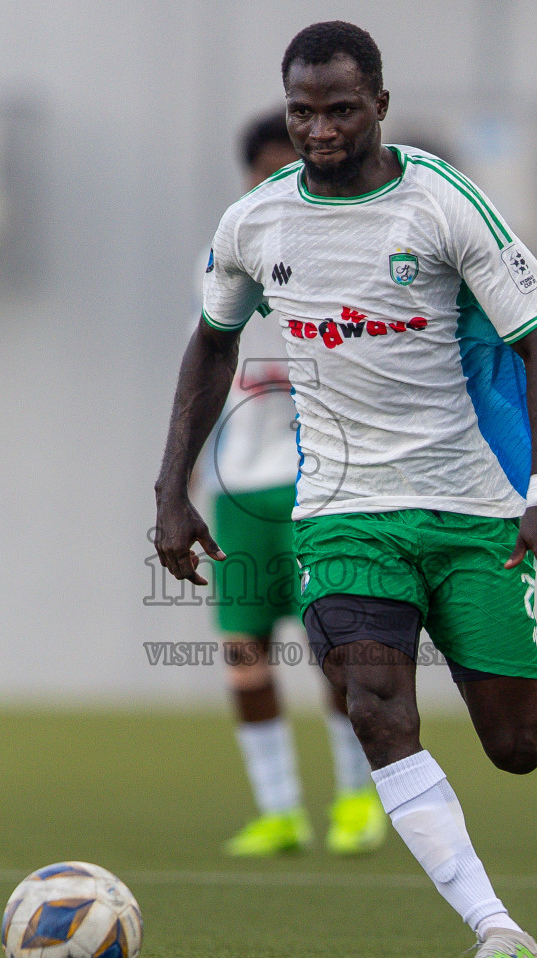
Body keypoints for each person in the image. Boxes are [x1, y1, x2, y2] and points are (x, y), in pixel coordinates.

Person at [155, 21, 537, 958]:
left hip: (470, 507)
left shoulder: (441, 205)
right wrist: (171, 490)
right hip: (342, 511)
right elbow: (211, 342)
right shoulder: (256, 223)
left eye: (341, 108)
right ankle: (498, 931)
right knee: (374, 706)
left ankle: (530, 680)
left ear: (380, 105)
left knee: (514, 748)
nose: (319, 128)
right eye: (303, 110)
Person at [201, 110, 387, 859]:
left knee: (334, 651)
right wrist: (180, 480)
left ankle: (354, 802)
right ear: (250, 176)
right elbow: (205, 362)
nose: (287, 180)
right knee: (244, 649)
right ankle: (279, 809)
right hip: (241, 488)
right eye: (272, 169)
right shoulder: (226, 249)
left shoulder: (342, 250)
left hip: (323, 483)